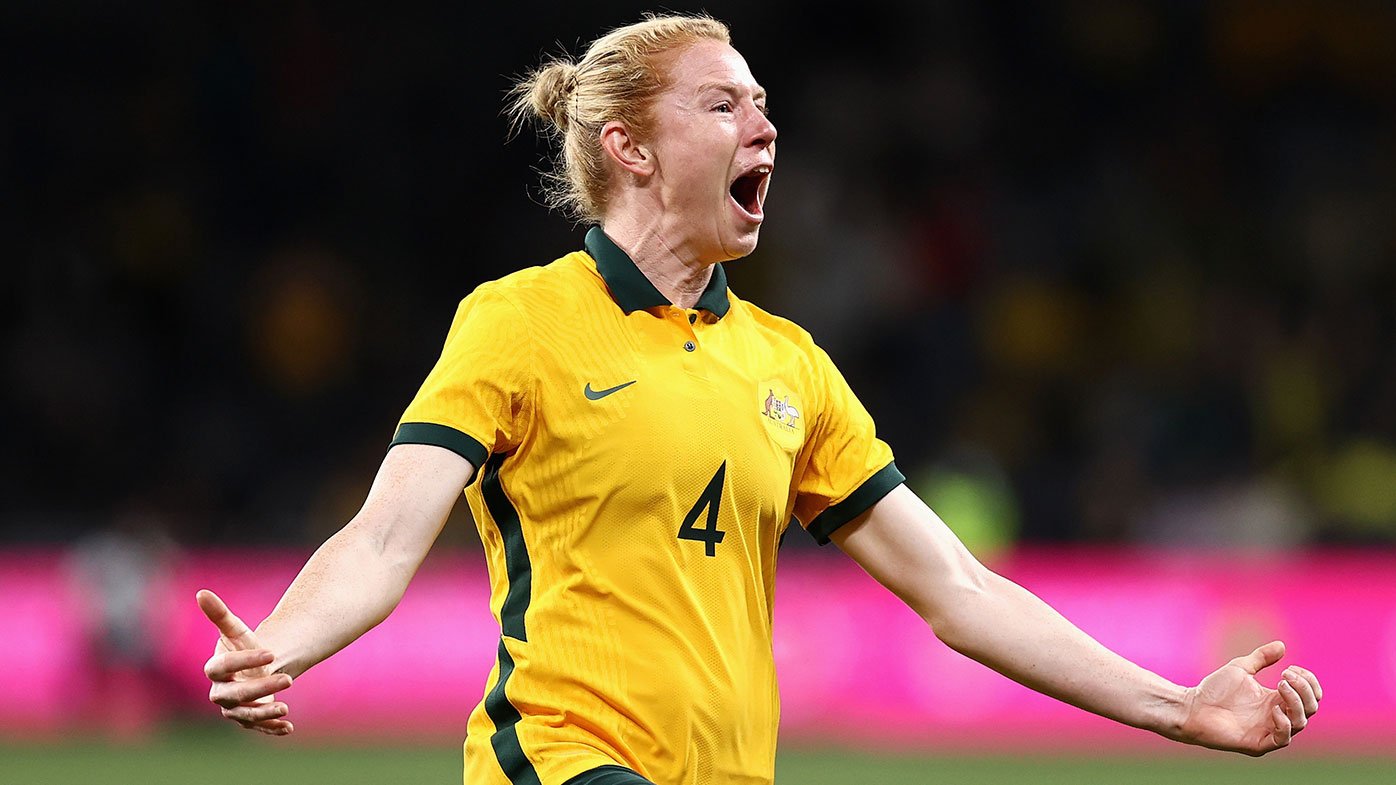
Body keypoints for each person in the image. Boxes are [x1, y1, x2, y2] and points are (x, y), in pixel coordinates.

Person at [198, 13, 1322, 785]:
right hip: (559, 760)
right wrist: (281, 645)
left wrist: (1179, 708)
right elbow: (386, 537)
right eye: (722, 104)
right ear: (628, 145)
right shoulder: (520, 320)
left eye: (763, 104)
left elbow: (956, 586)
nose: (763, 126)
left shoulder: (786, 366)